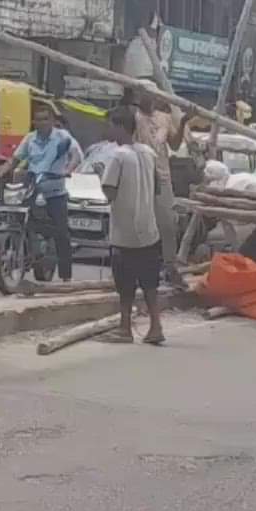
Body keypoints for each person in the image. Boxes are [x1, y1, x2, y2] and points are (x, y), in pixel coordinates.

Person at [98, 106, 164, 345]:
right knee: (149, 283)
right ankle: (155, 325)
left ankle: (125, 328)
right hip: (149, 229)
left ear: (120, 127)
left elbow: (109, 192)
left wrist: (100, 174)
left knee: (125, 286)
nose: (106, 130)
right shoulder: (149, 153)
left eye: (109, 125)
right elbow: (157, 188)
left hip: (125, 232)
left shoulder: (118, 156)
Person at [130, 79, 193, 288]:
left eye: (151, 95)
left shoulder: (164, 118)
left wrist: (182, 123)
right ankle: (137, 270)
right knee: (140, 224)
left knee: (167, 224)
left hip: (162, 177)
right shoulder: (134, 117)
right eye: (143, 94)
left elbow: (174, 144)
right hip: (141, 177)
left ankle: (170, 267)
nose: (147, 98)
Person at [6, 105, 74, 282]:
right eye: (38, 119)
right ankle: (8, 263)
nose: (41, 123)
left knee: (62, 232)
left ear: (52, 121)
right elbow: (16, 158)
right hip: (32, 187)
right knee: (17, 220)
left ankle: (66, 276)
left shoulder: (63, 137)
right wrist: (4, 169)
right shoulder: (30, 138)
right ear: (33, 122)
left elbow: (76, 155)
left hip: (55, 190)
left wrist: (68, 169)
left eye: (45, 119)